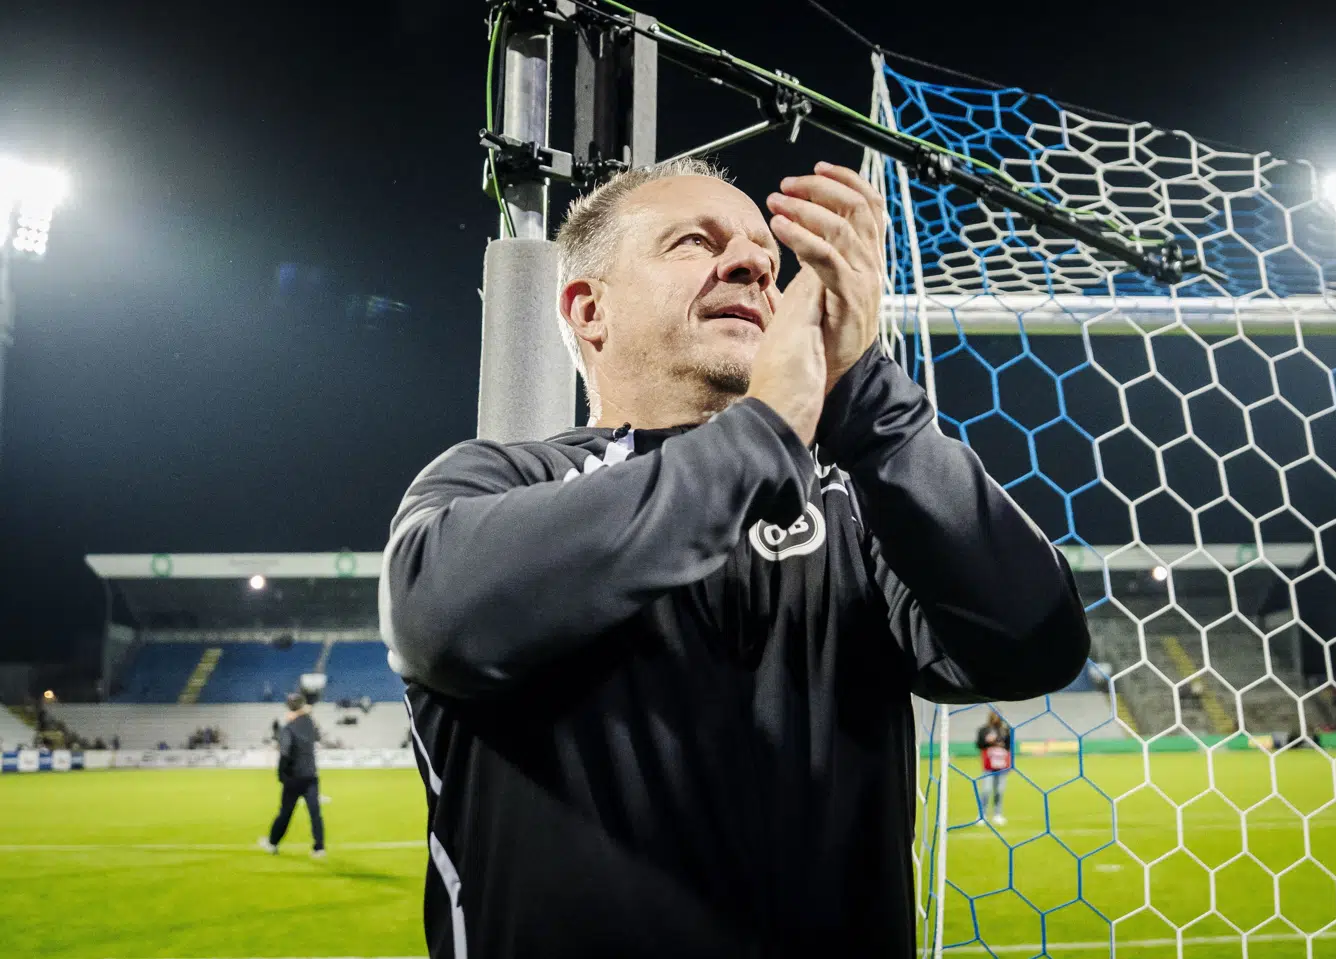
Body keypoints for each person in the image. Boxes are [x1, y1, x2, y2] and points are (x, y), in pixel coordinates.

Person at [382, 158, 1091, 958]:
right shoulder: (500, 482)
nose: (756, 264)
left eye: (765, 251)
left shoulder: (854, 511)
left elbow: (1037, 641)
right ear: (588, 309)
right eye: (693, 241)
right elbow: (442, 615)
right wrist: (767, 429)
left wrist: (866, 398)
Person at [259, 693, 325, 858]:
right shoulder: (310, 723)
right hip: (311, 776)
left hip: (294, 778)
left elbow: (285, 753)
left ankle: (272, 843)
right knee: (315, 813)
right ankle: (319, 848)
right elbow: (315, 732)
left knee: (285, 813)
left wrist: (281, 774)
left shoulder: (288, 728)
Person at [975, 712, 1013, 825]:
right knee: (986, 790)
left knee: (999, 791)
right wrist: (989, 742)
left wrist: (1001, 744)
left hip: (1001, 765)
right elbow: (979, 744)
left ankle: (997, 814)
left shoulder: (1005, 730)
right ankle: (982, 815)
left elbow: (1008, 746)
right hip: (988, 765)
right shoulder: (983, 730)